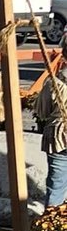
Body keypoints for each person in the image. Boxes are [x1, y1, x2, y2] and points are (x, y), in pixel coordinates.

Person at [34, 42, 67, 208]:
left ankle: (52, 220)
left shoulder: (54, 82)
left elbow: (42, 111)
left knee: (56, 186)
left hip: (58, 137)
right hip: (59, 136)